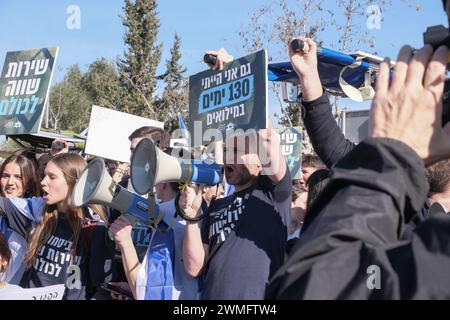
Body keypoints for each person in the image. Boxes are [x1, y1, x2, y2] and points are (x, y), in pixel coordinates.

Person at [266, 32, 450, 299]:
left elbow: (317, 285)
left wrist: (393, 154)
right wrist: (310, 79)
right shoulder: (402, 199)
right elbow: (335, 147)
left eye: (438, 127)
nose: (427, 135)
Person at [180, 123, 291, 299]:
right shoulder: (215, 206)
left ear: (260, 163)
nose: (228, 157)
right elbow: (194, 268)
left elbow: (268, 140)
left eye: (238, 151)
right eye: (226, 150)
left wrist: (252, 112)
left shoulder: (273, 193)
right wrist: (191, 218)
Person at [0, 153, 114, 299]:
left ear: (75, 182)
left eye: (52, 177)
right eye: (44, 175)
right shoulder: (37, 217)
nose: (42, 182)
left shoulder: (94, 229)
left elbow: (103, 288)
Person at [110, 178, 201, 300]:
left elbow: (149, 293)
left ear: (163, 184)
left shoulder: (165, 219)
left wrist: (125, 242)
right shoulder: (193, 212)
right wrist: (130, 288)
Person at [0, 155, 41, 284]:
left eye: (18, 177)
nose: (10, 182)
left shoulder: (32, 209)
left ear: (28, 183)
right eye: (6, 176)